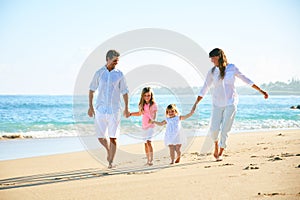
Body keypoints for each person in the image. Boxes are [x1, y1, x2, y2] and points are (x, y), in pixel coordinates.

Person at [191, 48, 268, 161]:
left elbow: (246, 80)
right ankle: (216, 144)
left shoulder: (232, 68)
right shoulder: (212, 72)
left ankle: (221, 151)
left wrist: (261, 91)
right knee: (214, 129)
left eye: (213, 58)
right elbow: (205, 88)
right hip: (217, 103)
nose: (212, 60)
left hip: (231, 103)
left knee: (225, 129)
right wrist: (196, 103)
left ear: (219, 56)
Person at [88, 49, 130, 169]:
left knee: (113, 137)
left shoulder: (119, 74)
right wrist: (90, 107)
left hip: (115, 110)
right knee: (100, 137)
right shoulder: (99, 73)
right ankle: (108, 150)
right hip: (100, 110)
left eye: (117, 60)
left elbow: (125, 92)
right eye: (114, 60)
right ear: (107, 59)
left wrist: (126, 108)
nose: (116, 62)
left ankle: (111, 161)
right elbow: (91, 90)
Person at [129, 87, 158, 166]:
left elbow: (155, 114)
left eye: (148, 95)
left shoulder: (153, 104)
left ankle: (151, 160)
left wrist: (152, 119)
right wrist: (131, 114)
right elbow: (139, 113)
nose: (147, 97)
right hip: (144, 126)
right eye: (145, 95)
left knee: (149, 142)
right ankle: (147, 159)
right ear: (142, 96)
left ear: (151, 95)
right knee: (145, 143)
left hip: (151, 125)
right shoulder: (142, 104)